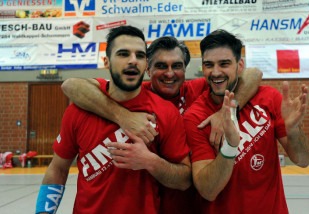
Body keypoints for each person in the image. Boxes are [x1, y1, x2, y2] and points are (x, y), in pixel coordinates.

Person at [61, 36, 263, 214]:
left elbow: (254, 73)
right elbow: (71, 85)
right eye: (161, 66)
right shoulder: (136, 94)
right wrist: (123, 116)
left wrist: (227, 111)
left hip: (198, 202)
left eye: (176, 66)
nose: (169, 73)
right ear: (148, 68)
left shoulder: (198, 90)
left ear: (185, 69)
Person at [35, 26, 192, 214]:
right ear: (106, 61)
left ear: (146, 64)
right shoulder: (79, 109)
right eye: (123, 54)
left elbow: (184, 180)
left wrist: (150, 162)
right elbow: (58, 169)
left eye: (140, 55)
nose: (133, 61)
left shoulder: (166, 112)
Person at [183, 29, 309, 214]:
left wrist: (293, 131)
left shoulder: (269, 98)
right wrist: (229, 147)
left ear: (240, 65)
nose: (216, 72)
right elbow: (207, 191)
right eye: (209, 65)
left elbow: (303, 160)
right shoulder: (195, 117)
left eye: (224, 64)